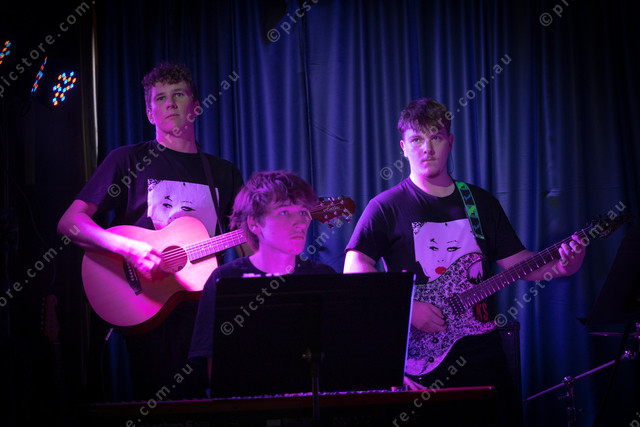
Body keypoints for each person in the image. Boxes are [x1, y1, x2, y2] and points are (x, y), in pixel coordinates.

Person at [343, 98, 586, 425]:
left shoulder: (480, 202)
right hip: (420, 358)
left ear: (450, 141)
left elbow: (518, 263)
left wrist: (563, 267)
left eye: (436, 137)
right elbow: (355, 269)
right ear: (403, 148)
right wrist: (409, 307)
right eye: (417, 139)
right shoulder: (386, 207)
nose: (427, 148)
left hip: (482, 350)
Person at [57, 62, 246, 400]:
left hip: (206, 314)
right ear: (149, 113)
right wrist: (128, 248)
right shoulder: (127, 161)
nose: (170, 103)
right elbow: (70, 222)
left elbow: (246, 245)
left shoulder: (224, 173)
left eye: (179, 95)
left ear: (196, 107)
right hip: (148, 306)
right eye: (160, 98)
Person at [189, 170, 336, 390]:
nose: (300, 223)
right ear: (254, 223)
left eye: (303, 212)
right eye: (284, 212)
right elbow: (214, 368)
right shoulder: (225, 280)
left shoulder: (323, 277)